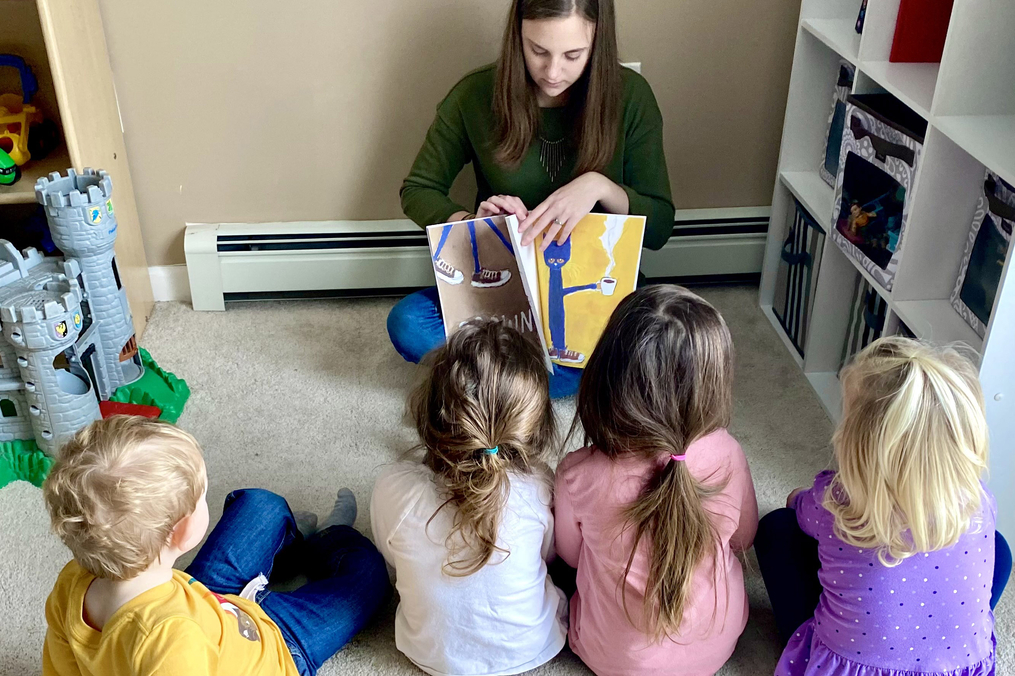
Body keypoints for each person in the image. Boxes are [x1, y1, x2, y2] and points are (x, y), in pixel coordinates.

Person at [388, 0, 675, 398]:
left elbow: (660, 227)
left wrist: (600, 187)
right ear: (517, 36)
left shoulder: (631, 96)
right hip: (502, 291)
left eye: (573, 55)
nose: (553, 72)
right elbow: (418, 189)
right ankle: (529, 379)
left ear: (598, 42)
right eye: (538, 50)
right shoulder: (475, 95)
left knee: (660, 342)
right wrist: (472, 223)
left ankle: (496, 379)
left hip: (595, 295)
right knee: (408, 323)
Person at [41, 416, 390, 676]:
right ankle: (331, 537)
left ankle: (289, 548)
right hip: (278, 649)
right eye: (201, 497)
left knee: (261, 506)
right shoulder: (171, 644)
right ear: (182, 531)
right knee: (368, 575)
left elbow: (60, 668)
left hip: (206, 599)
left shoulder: (74, 578)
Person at [755, 337, 1012, 676]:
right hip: (956, 667)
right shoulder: (979, 500)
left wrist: (800, 496)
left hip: (851, 666)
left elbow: (796, 505)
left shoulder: (835, 501)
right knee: (999, 549)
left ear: (854, 442)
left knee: (777, 527)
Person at [553, 285, 759, 676]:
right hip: (718, 642)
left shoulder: (577, 473)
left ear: (605, 377)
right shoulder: (728, 452)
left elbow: (571, 556)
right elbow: (744, 538)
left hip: (616, 660)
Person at [371, 320, 567, 676]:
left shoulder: (394, 488)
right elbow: (549, 554)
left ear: (429, 413)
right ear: (535, 424)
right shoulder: (539, 486)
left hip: (432, 654)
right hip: (534, 646)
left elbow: (390, 556)